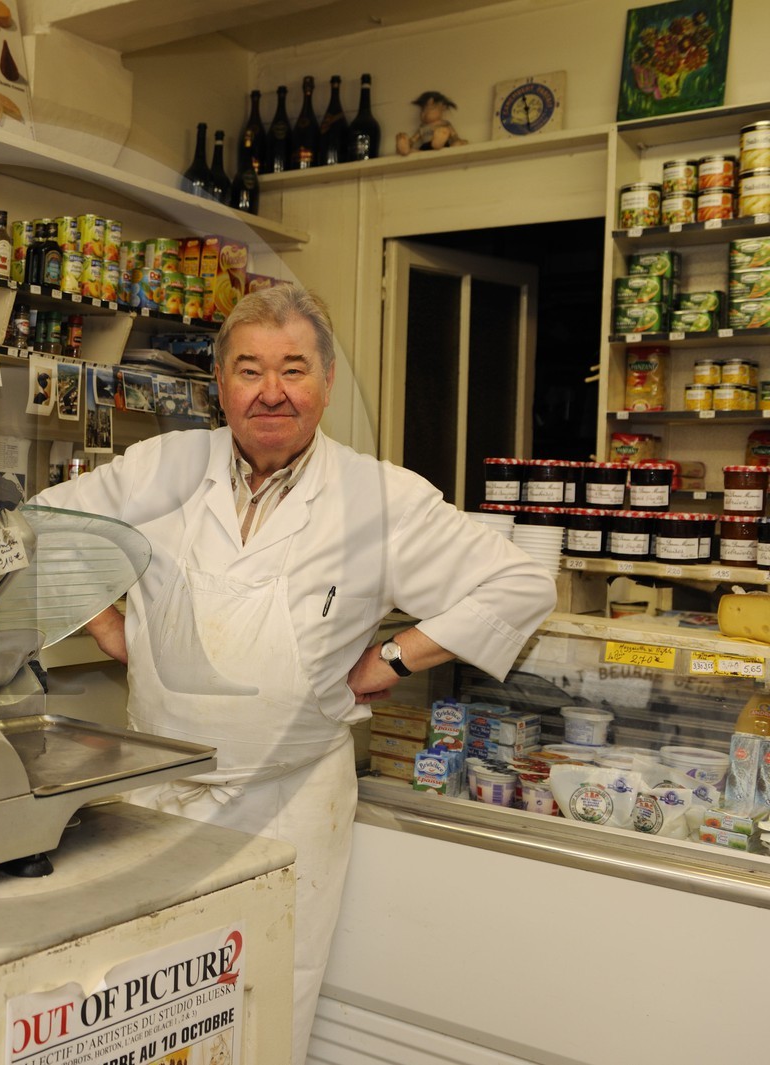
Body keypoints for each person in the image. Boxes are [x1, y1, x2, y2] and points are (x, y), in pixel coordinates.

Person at [31, 286, 554, 1062]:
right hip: (157, 794)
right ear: (220, 384)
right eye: (249, 370)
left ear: (327, 383)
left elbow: (520, 584)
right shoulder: (162, 467)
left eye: (293, 369)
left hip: (288, 803)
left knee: (266, 1003)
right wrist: (116, 630)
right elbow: (42, 526)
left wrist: (392, 658)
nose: (271, 391)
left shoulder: (379, 497)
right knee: (137, 1012)